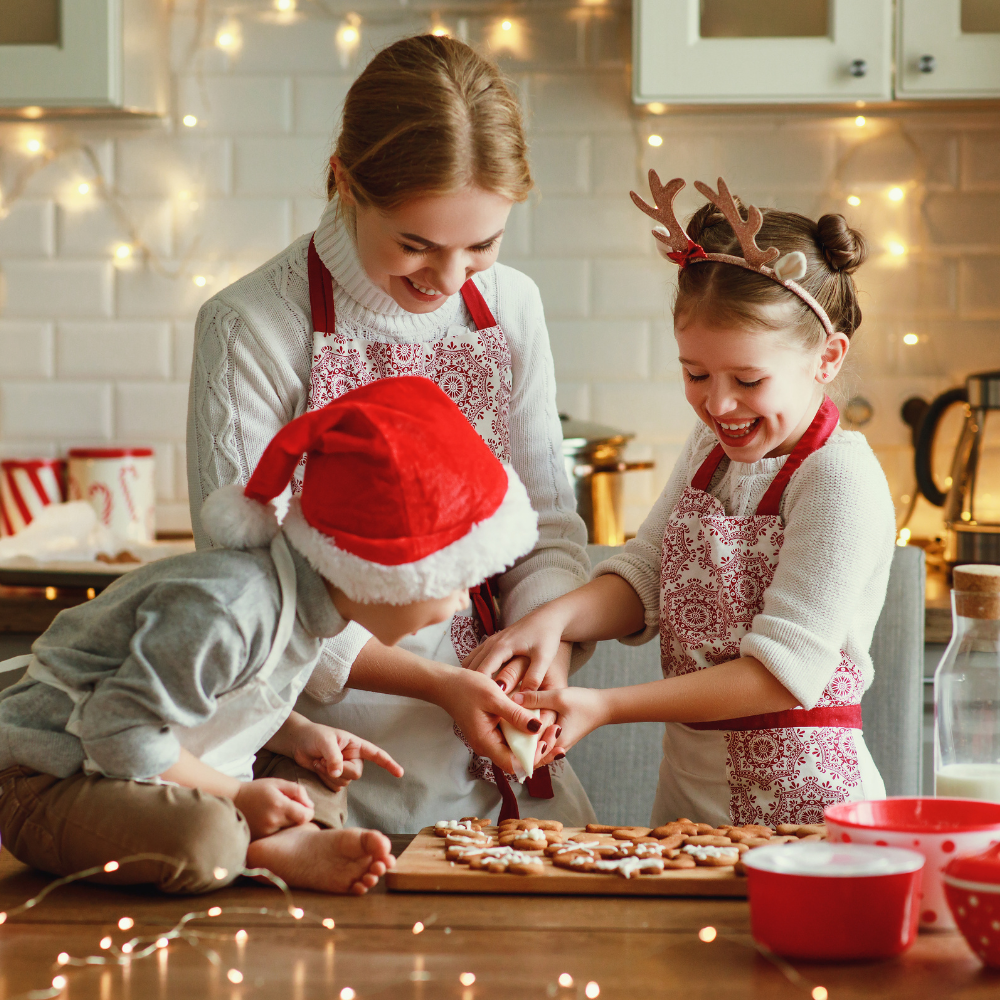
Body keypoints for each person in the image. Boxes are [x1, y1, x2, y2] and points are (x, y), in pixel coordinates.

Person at [187, 34, 595, 831]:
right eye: (416, 245)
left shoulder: (510, 307)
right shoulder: (252, 326)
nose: (448, 280)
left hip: (499, 751)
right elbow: (246, 590)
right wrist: (437, 685)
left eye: (482, 246)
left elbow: (546, 526)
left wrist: (545, 644)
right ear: (345, 180)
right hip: (321, 757)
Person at [466, 174, 894, 828]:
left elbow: (780, 677)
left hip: (808, 807)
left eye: (747, 379)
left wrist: (604, 705)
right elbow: (646, 574)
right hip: (690, 796)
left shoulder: (838, 478)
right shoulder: (709, 447)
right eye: (695, 374)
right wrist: (549, 621)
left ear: (828, 358)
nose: (718, 404)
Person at [0, 378, 543, 893]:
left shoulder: (309, 607)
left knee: (322, 784)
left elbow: (218, 694)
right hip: (54, 776)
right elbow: (118, 733)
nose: (461, 600)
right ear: (387, 573)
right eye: (453, 580)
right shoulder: (230, 608)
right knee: (203, 839)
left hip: (154, 763)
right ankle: (261, 850)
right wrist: (237, 793)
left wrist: (297, 734)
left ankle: (275, 838)